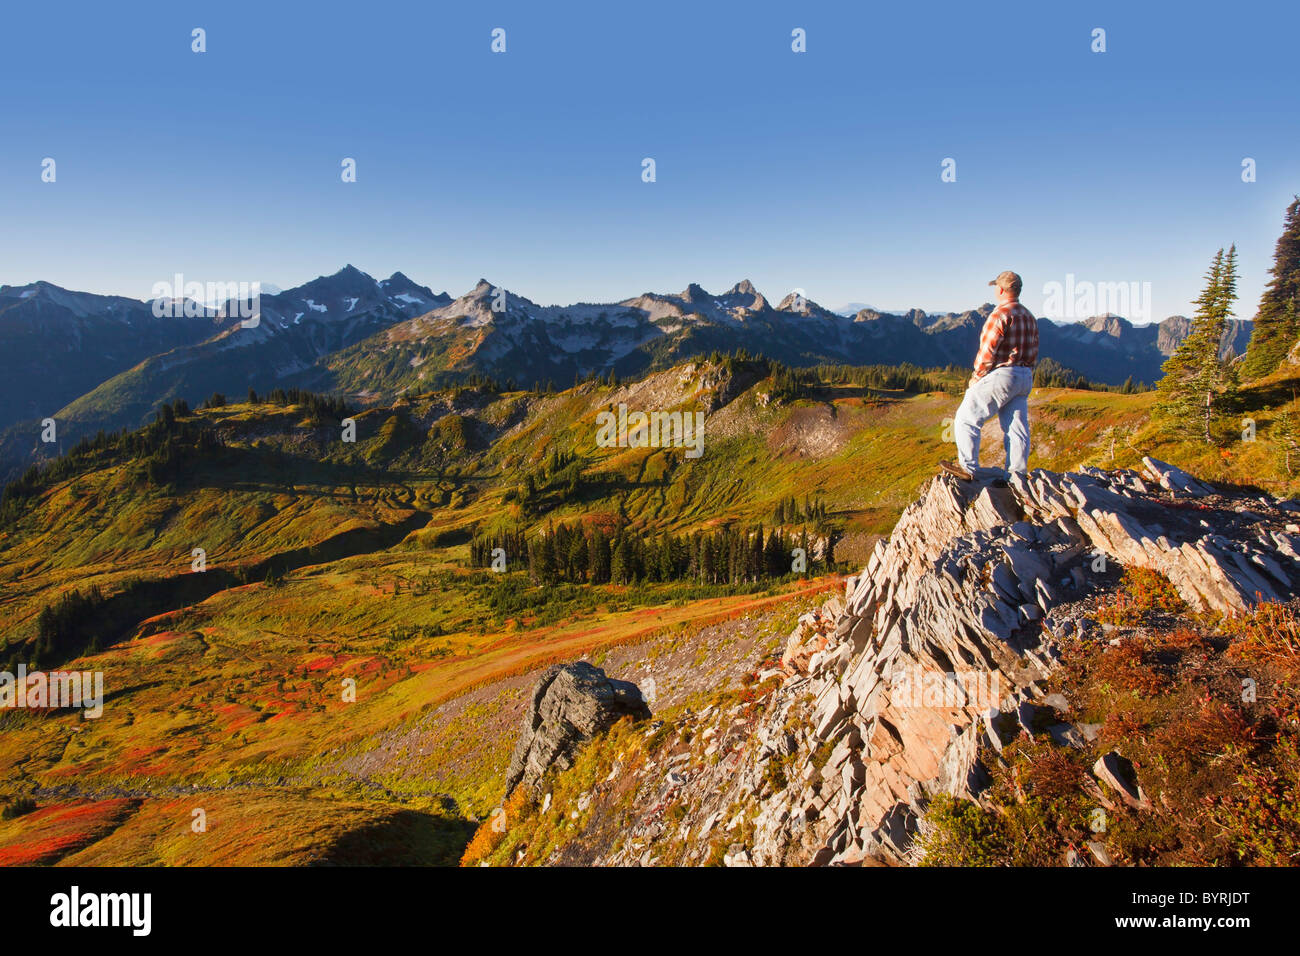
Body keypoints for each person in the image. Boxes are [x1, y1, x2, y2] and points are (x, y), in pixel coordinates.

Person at [940, 270, 1039, 481]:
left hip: (1004, 375)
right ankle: (1017, 475)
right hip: (1025, 376)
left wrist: (977, 377)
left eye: (996, 286)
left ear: (1001, 289)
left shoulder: (1000, 315)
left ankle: (968, 468)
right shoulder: (1029, 316)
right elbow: (1034, 349)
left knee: (966, 419)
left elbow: (987, 351)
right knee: (1016, 427)